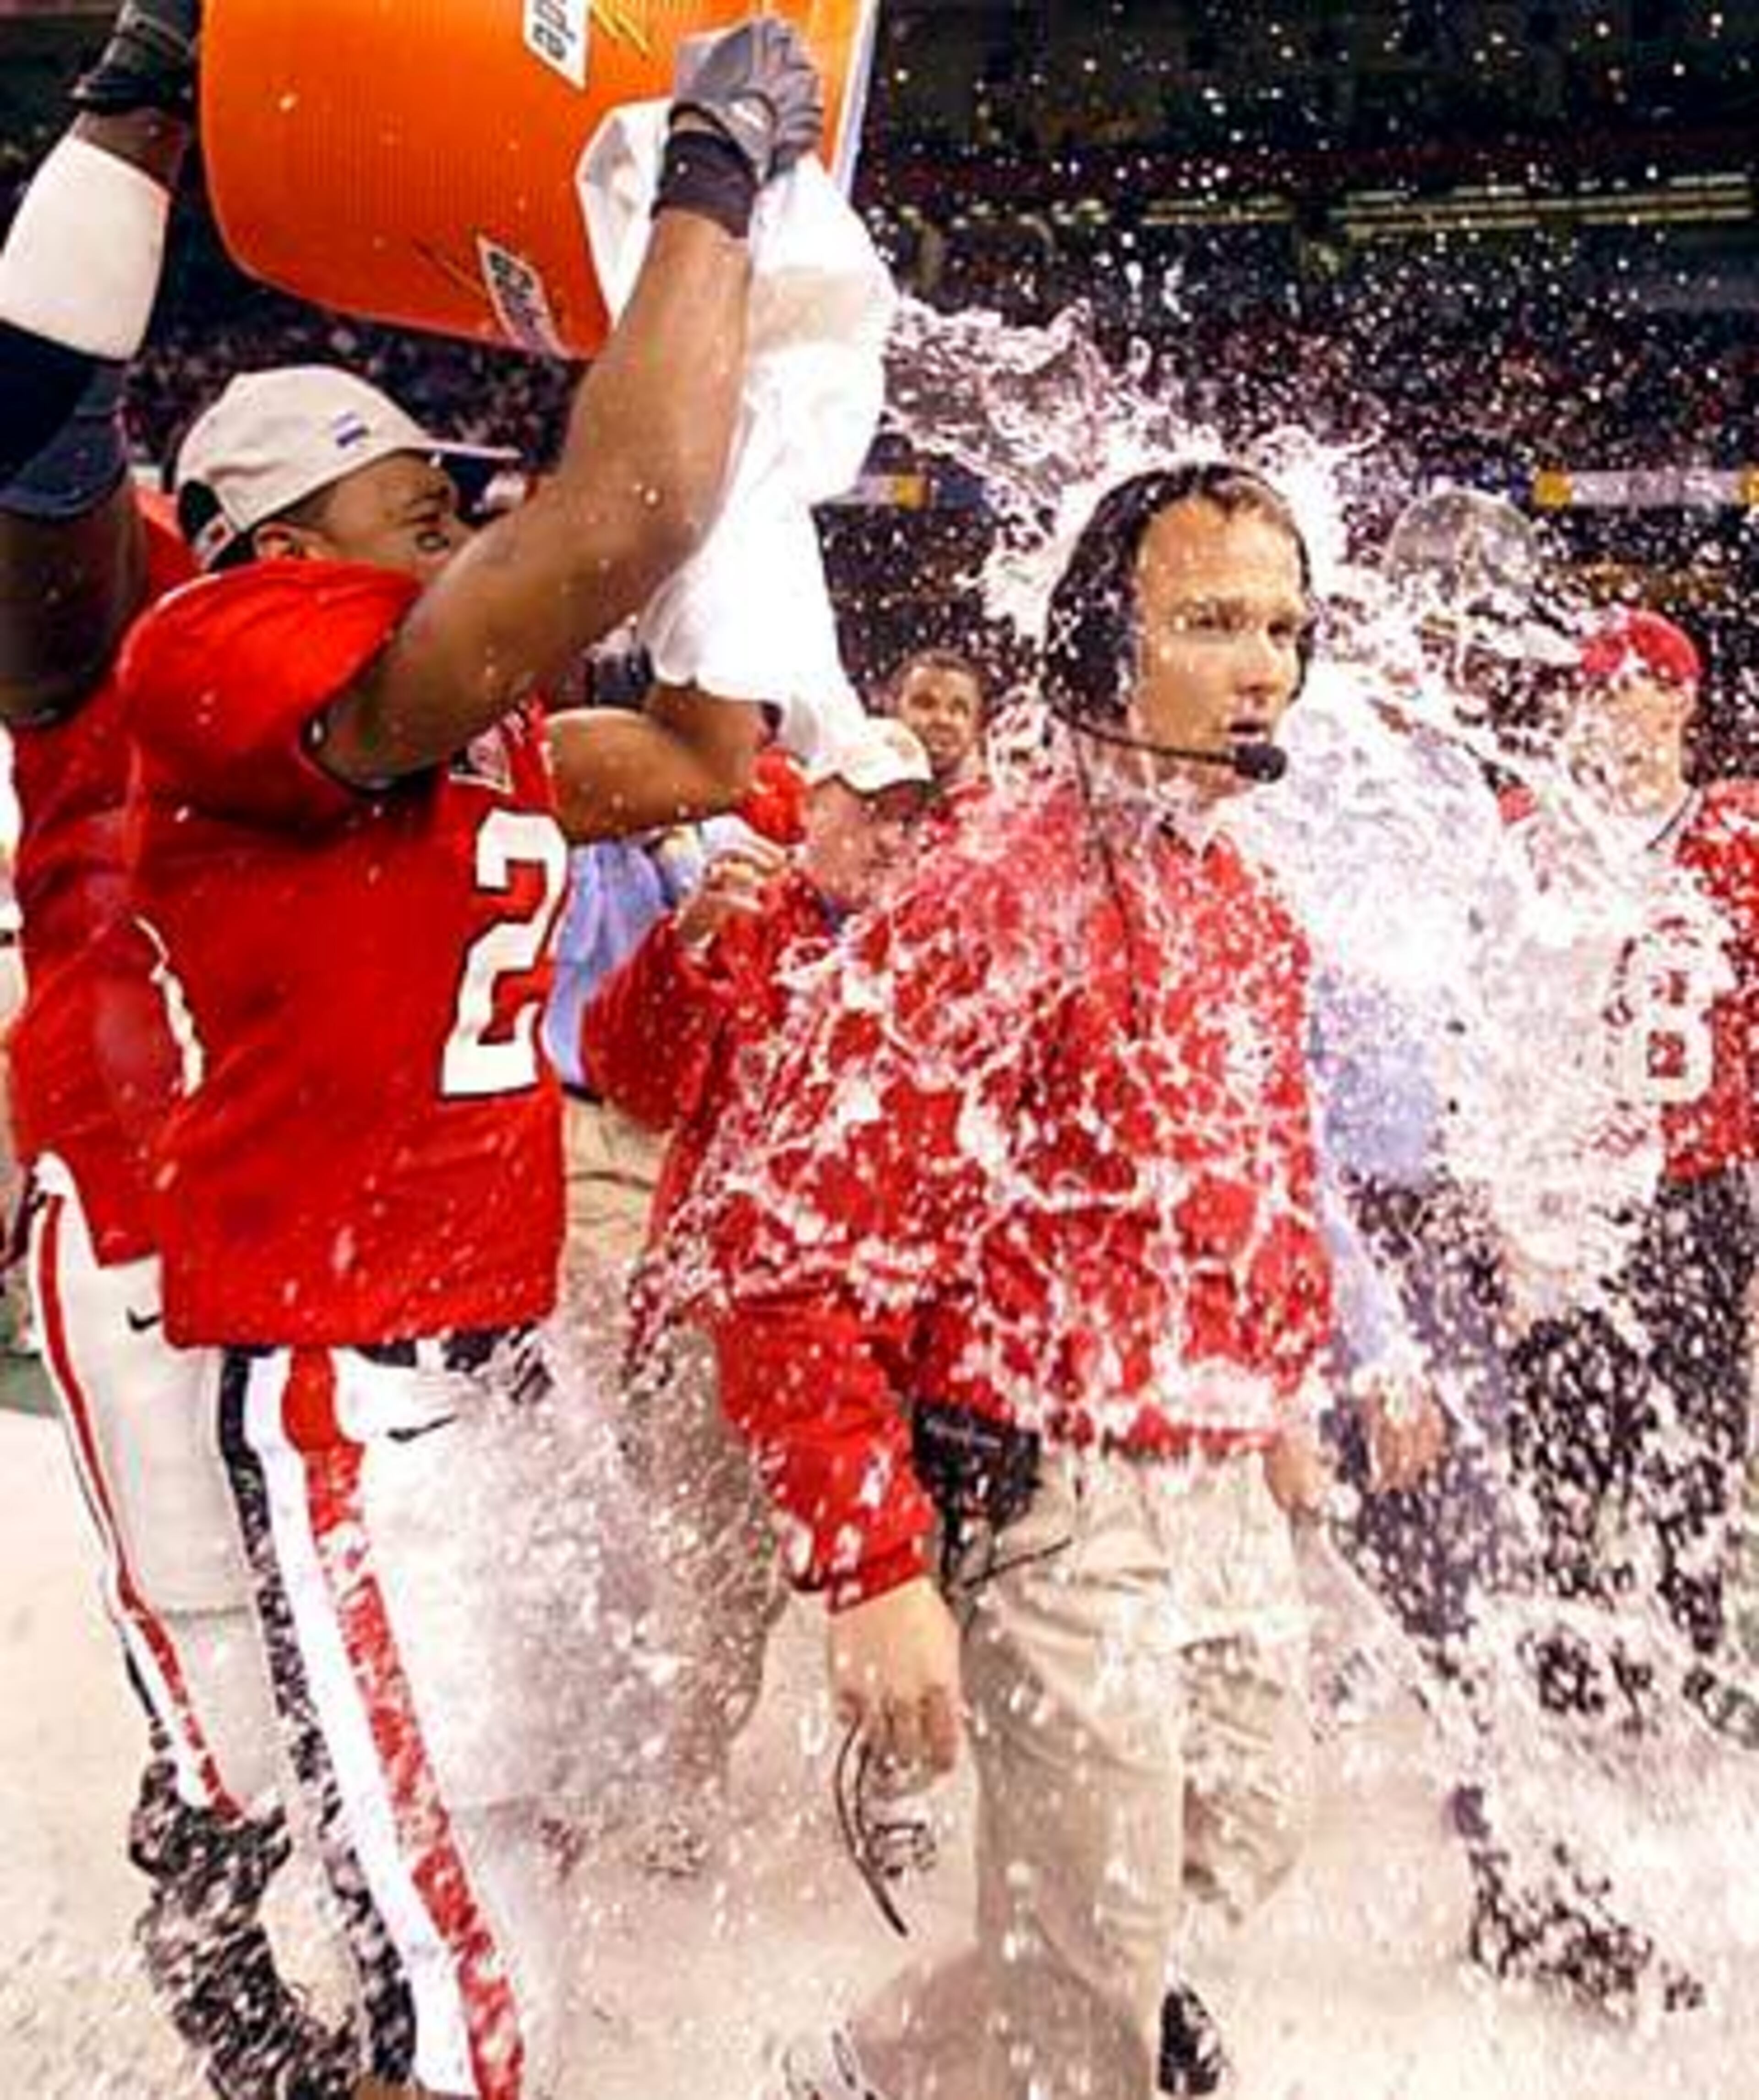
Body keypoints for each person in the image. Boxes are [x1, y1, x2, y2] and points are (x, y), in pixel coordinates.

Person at [109, 21, 825, 2100]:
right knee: (464, 1970)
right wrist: (708, 176)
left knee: (537, 1850)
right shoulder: (222, 653)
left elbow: (705, 747)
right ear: (259, 528)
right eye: (385, 459)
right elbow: (617, 513)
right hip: (354, 1386)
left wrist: (763, 443)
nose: (439, 474)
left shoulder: (462, 714)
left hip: (505, 1365)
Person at [664, 464, 1388, 2100]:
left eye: (1281, 624)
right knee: (1099, 1972)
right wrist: (868, 1565)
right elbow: (790, 1252)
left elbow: (1256, 1172)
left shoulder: (1243, 899)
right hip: (1053, 1494)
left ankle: (873, 2068)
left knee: (1239, 1832)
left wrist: (1277, 1388)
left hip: (1213, 1466)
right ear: (1091, 644)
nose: (1261, 663)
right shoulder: (989, 890)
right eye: (1210, 621)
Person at [0, 7, 361, 2093]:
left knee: (366, 1612)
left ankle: (388, 1909)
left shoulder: (385, 641)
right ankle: (226, 1975)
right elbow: (42, 422)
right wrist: (140, 91)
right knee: (221, 1648)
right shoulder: (106, 606)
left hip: (327, 1200)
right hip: (147, 1189)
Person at [582, 716, 933, 1850]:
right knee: (712, 1578)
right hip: (719, 1314)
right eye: (866, 806)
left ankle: (893, 1785)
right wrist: (679, 950)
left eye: (906, 815)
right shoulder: (741, 918)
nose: (887, 835)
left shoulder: (936, 948)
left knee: (901, 1554)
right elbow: (631, 1077)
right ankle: (676, 1788)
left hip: (881, 1322)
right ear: (809, 806)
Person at [881, 646, 989, 810]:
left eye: (958, 710)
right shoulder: (851, 801)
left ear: (976, 728)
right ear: (892, 712)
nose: (943, 720)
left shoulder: (1002, 812)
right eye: (925, 704)